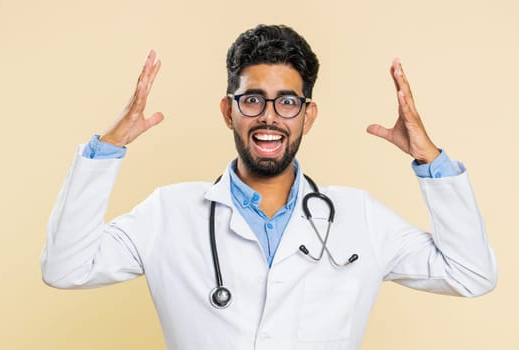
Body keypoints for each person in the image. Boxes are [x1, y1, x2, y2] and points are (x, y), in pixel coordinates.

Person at [41, 24, 497, 350]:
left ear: (308, 116)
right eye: (252, 99)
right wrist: (108, 147)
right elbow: (65, 268)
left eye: (288, 102)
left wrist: (430, 159)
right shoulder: (168, 213)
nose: (269, 116)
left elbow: (471, 275)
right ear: (228, 111)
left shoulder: (361, 217)